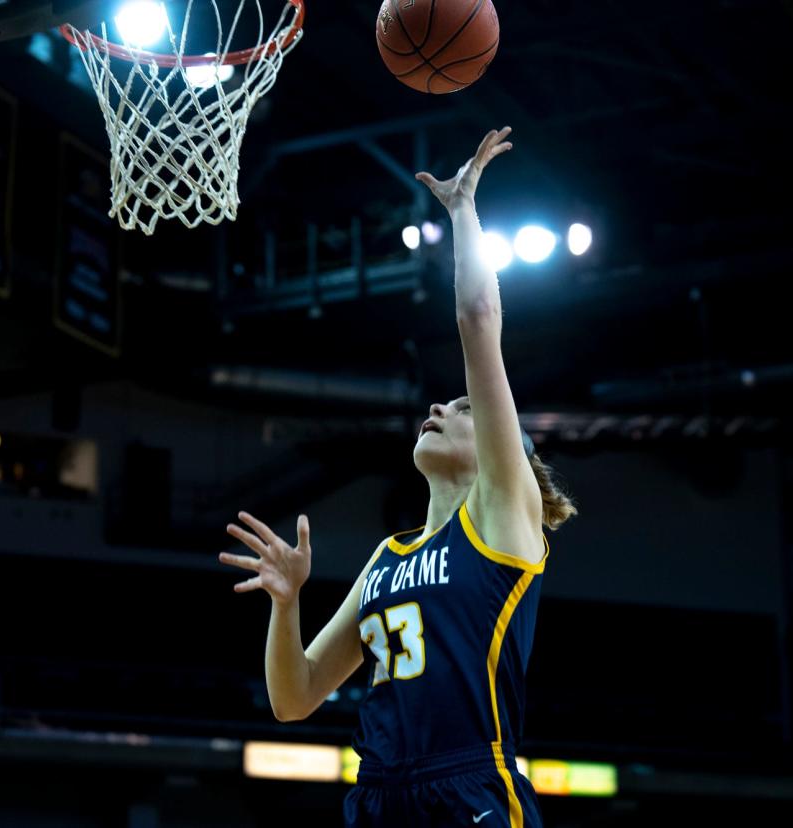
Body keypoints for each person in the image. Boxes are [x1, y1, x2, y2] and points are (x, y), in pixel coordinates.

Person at [219, 127, 577, 827]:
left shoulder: (506, 517)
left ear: (502, 451)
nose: (438, 406)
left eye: (462, 408)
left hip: (469, 787)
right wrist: (286, 605)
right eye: (441, 404)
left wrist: (464, 213)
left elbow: (477, 319)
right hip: (379, 794)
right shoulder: (388, 559)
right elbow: (294, 700)